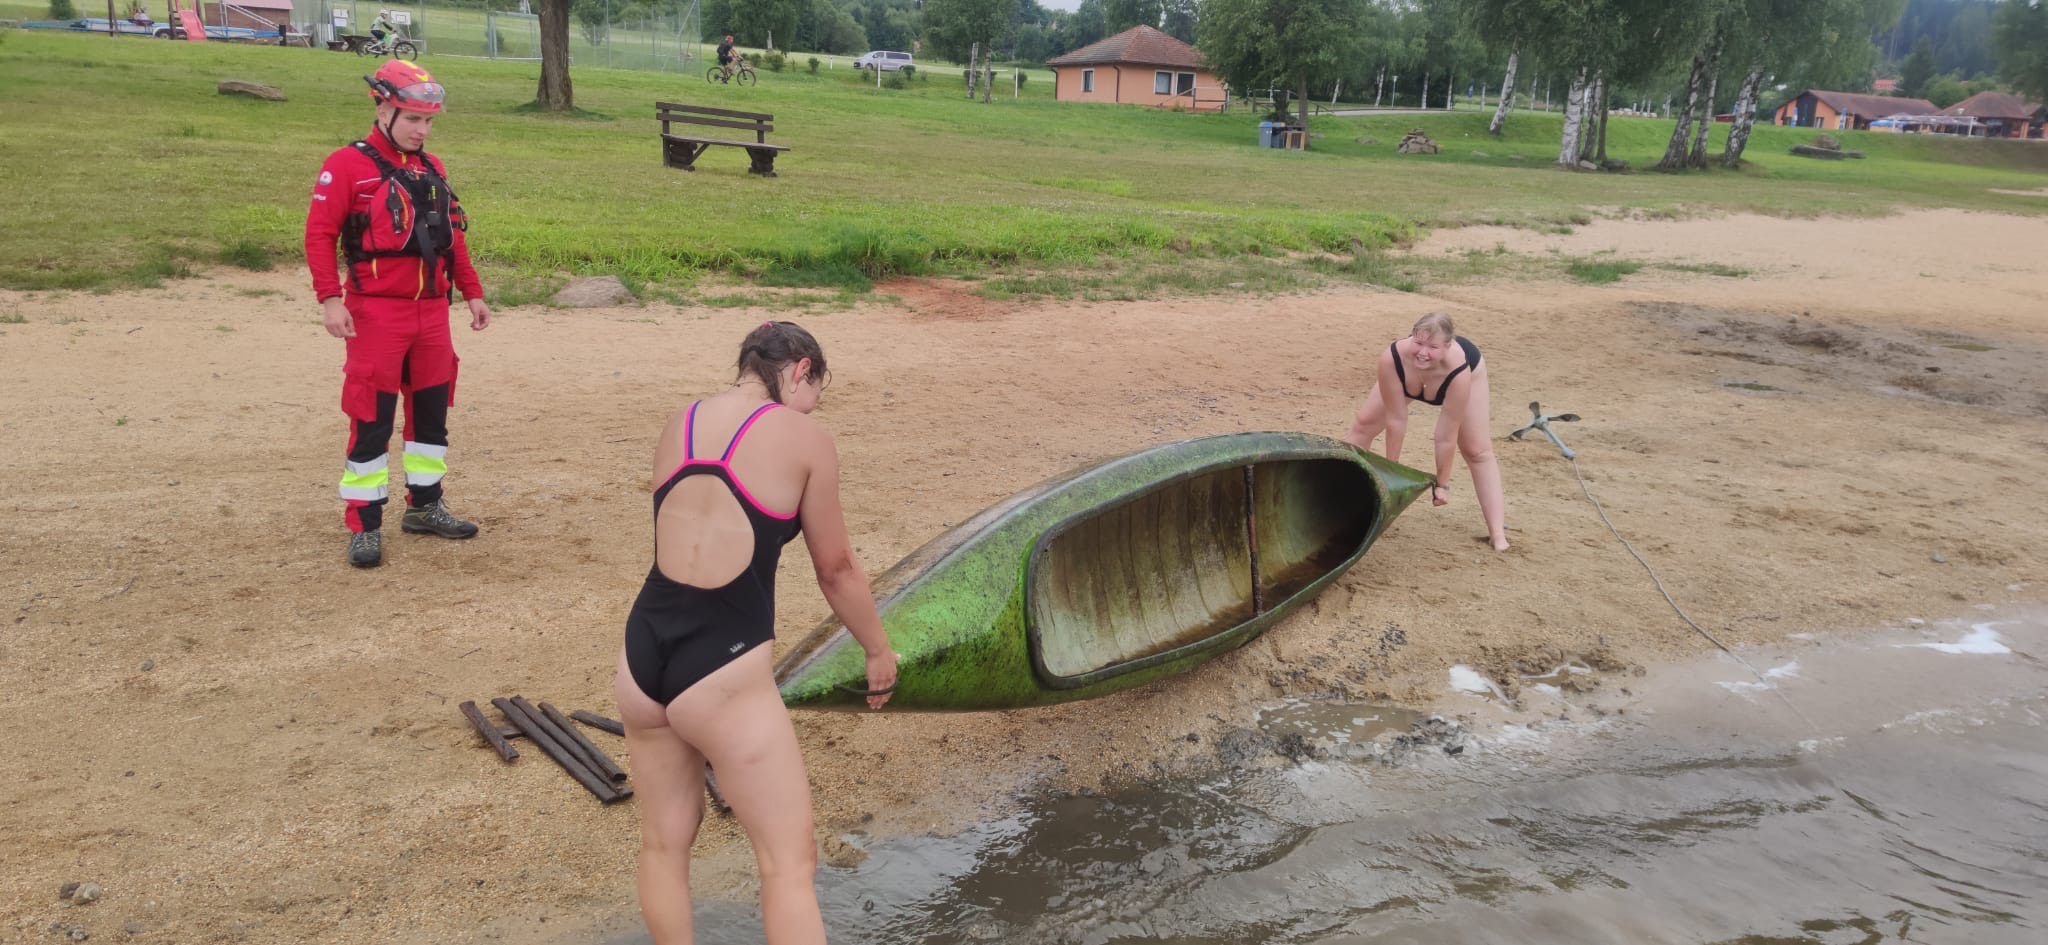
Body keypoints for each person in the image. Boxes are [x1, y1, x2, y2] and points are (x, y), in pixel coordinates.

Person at [614, 321, 897, 945]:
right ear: (801, 370)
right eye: (814, 393)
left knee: (663, 845)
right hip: (723, 668)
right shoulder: (804, 438)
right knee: (788, 865)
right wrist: (877, 649)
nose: (811, 408)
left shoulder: (682, 419)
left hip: (643, 653)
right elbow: (836, 568)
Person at [304, 61, 492, 568]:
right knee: (372, 417)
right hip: (376, 314)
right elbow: (319, 235)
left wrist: (472, 292)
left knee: (431, 415)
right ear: (383, 110)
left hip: (431, 314)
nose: (422, 130)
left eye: (428, 121)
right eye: (412, 119)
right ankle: (364, 524)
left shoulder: (432, 168)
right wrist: (330, 299)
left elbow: (453, 238)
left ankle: (425, 507)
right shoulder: (346, 165)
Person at [1345, 312, 1510, 551]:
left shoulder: (1459, 371)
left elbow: (1445, 435)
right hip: (1407, 376)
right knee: (1363, 425)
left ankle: (1497, 534)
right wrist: (1393, 473)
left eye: (1432, 347)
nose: (1423, 352)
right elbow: (1396, 419)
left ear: (1447, 346)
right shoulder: (1393, 358)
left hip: (1463, 377)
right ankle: (1344, 506)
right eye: (1418, 342)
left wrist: (1442, 485)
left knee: (1477, 451)